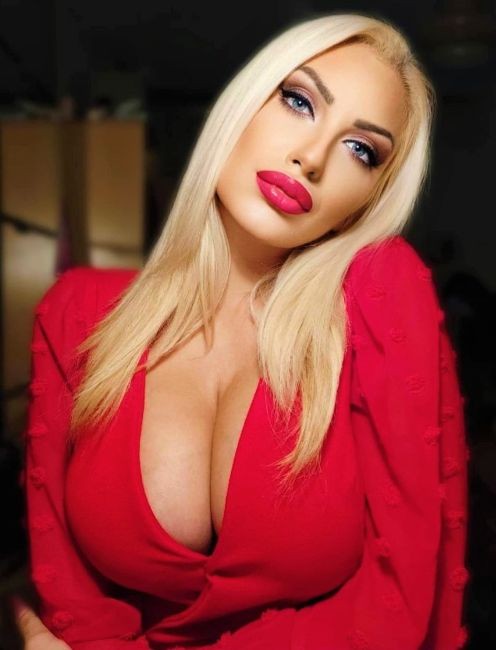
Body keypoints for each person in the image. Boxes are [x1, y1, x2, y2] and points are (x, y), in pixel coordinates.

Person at [13, 11, 470, 650]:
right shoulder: (79, 314)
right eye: (298, 101)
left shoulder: (382, 296)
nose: (311, 158)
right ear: (242, 103)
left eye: (360, 150)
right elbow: (70, 593)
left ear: (368, 200)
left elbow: (401, 604)